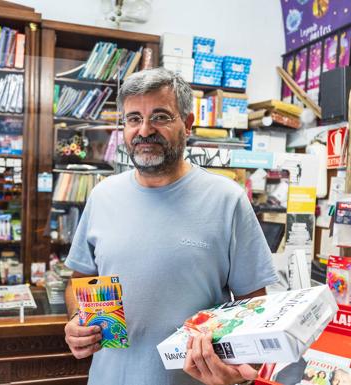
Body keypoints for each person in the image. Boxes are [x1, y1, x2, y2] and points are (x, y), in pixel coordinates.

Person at [63, 67, 278, 385]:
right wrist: (76, 323)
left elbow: (255, 308)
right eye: (134, 118)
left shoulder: (227, 200)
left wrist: (238, 369)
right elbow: (79, 282)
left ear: (187, 124)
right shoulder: (102, 196)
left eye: (160, 117)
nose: (144, 130)